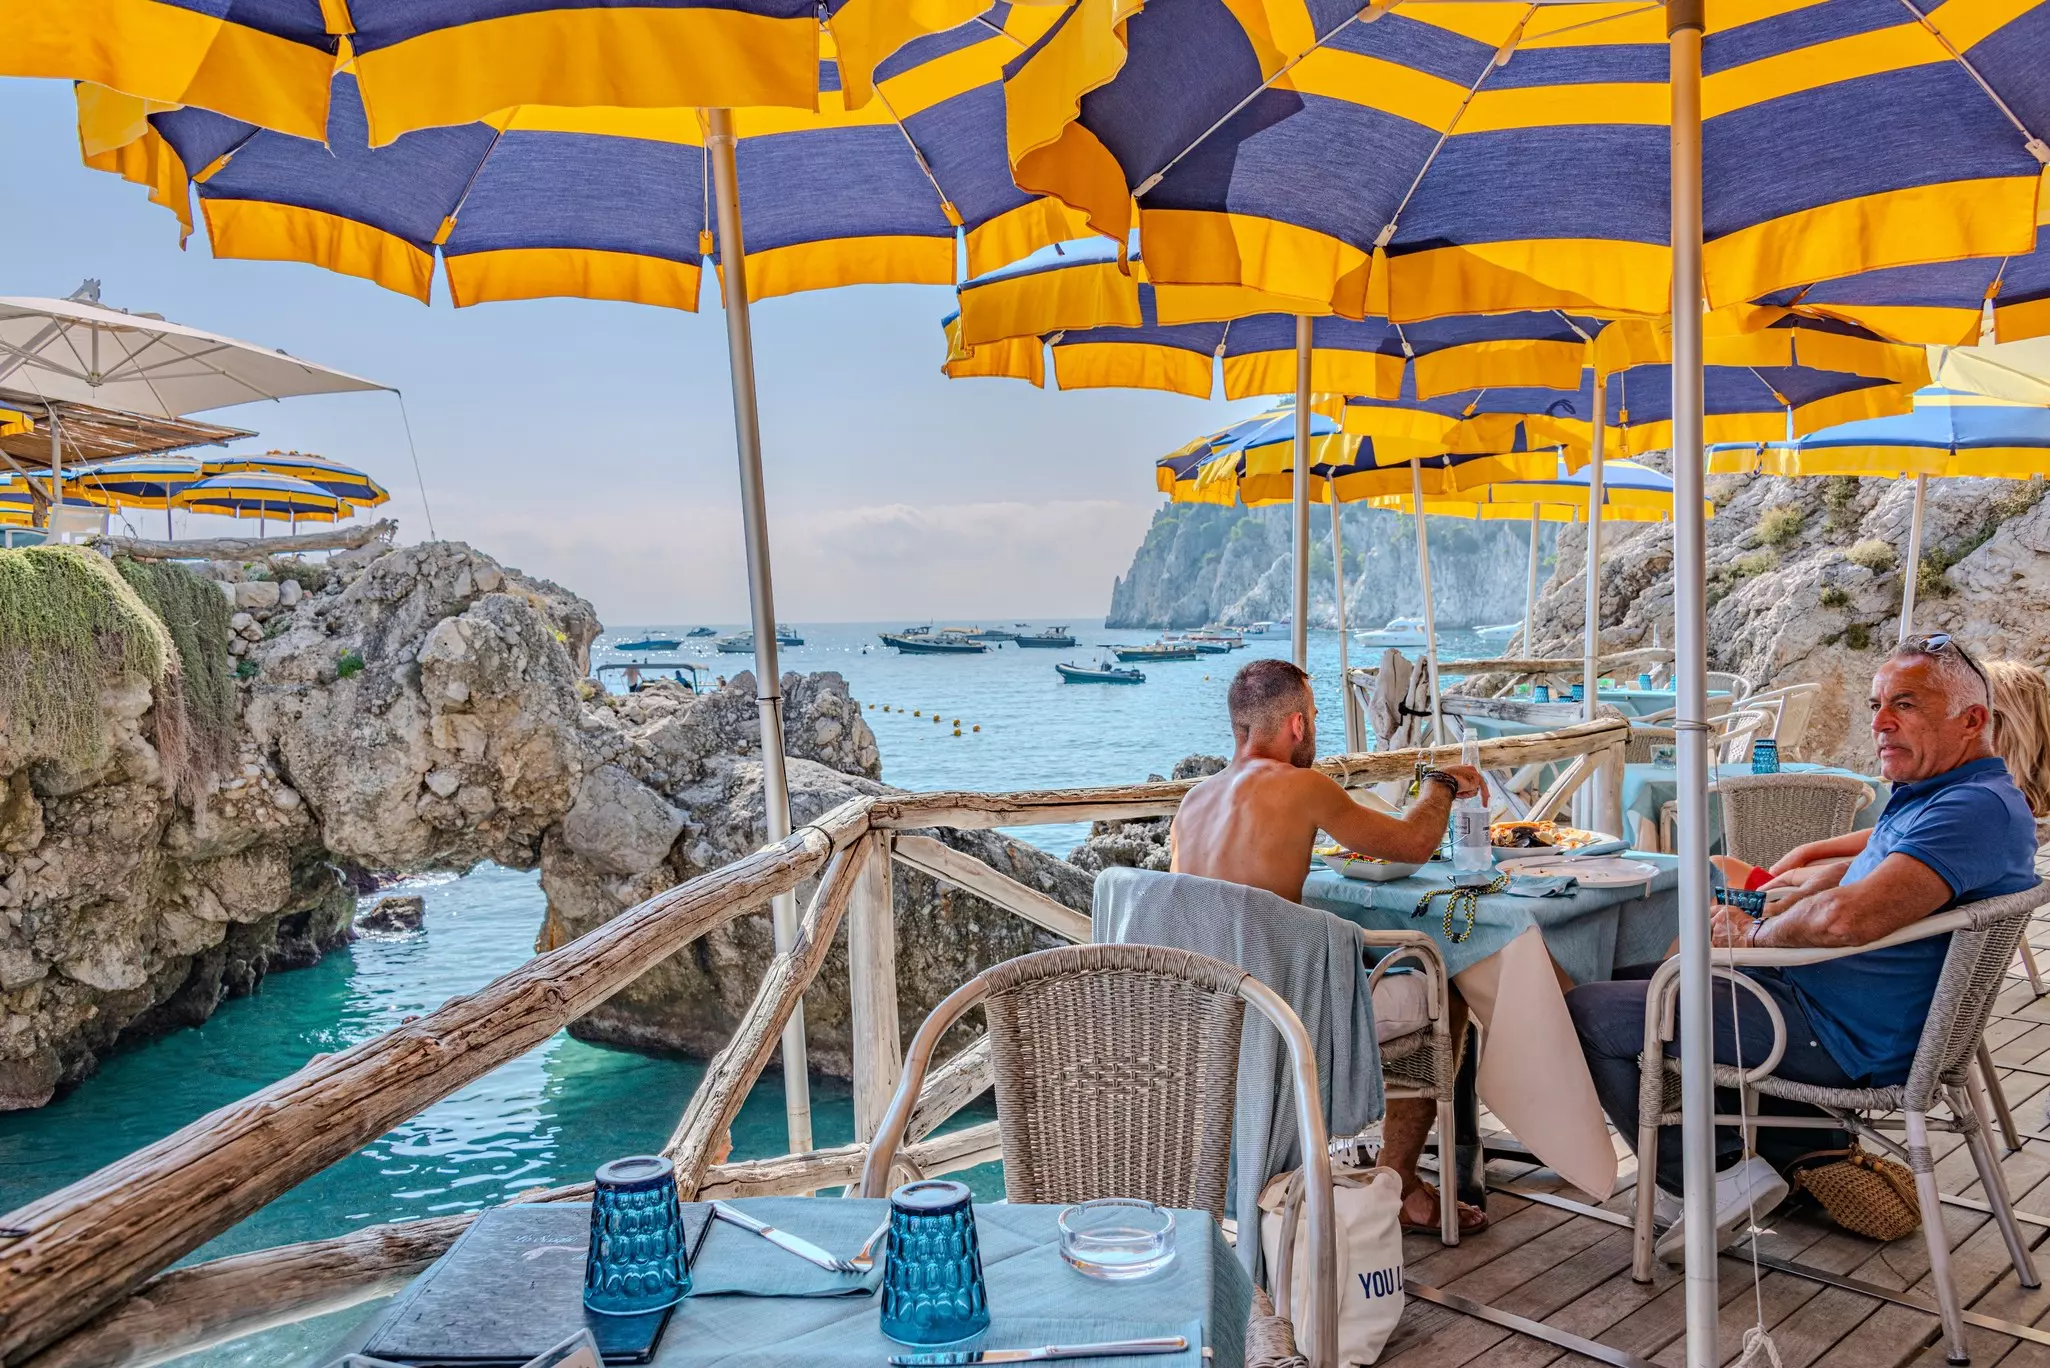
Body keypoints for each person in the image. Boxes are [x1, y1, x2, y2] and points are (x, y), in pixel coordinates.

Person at [1569, 635, 2039, 1259]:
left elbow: (1845, 919)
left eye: (1905, 704)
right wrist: (1768, 905)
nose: (1880, 722)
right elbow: (1853, 888)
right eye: (1876, 704)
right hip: (1836, 1004)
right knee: (1631, 970)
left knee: (1589, 1011)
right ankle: (1742, 1153)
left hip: (1843, 1038)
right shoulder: (1946, 795)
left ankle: (1712, 1180)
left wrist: (1754, 933)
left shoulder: (1971, 809)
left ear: (1972, 720)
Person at [1171, 657, 1492, 1235]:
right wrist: (1444, 783)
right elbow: (1413, 843)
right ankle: (1399, 1182)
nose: (1315, 728)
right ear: (1297, 725)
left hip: (1202, 1024)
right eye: (1315, 717)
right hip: (1283, 1024)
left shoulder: (1192, 804)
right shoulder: (1302, 785)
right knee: (1447, 984)